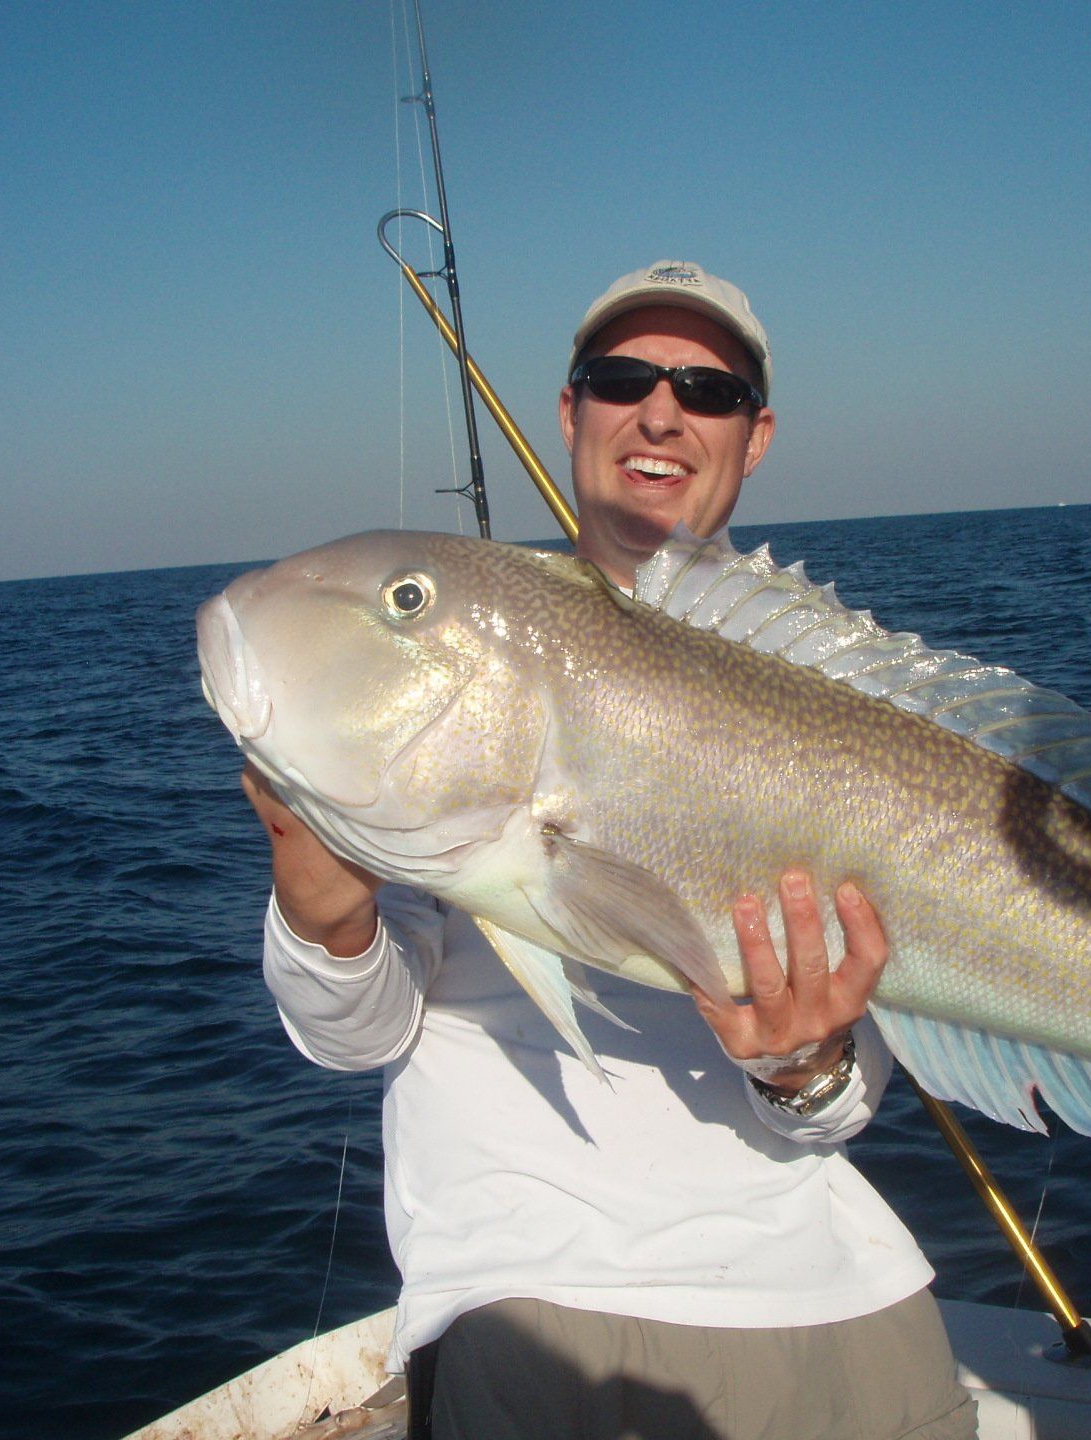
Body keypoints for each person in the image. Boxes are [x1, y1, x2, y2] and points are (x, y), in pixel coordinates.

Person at [242, 261, 977, 1439]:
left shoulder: (849, 709)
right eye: (623, 377)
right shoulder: (472, 675)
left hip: (848, 1297)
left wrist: (805, 1067)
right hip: (547, 1305)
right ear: (572, 411)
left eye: (708, 388)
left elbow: (828, 1118)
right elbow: (355, 1034)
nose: (664, 410)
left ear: (757, 432)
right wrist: (325, 915)